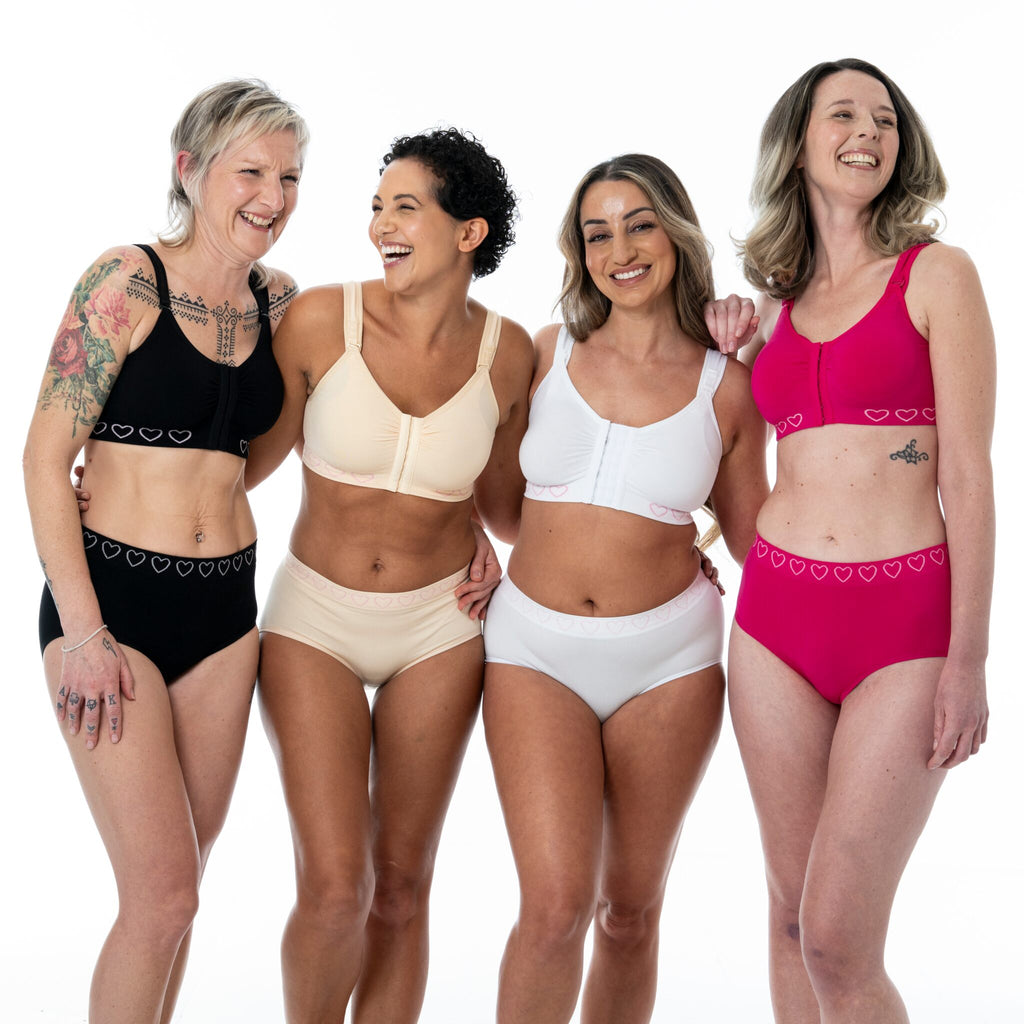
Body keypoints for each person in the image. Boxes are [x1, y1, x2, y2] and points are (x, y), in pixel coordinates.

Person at [23, 80, 308, 1023]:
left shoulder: (279, 301)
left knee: (182, 891)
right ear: (189, 170)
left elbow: (253, 455)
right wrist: (83, 633)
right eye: (251, 172)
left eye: (290, 177)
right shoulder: (126, 280)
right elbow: (43, 458)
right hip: (112, 606)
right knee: (162, 896)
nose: (272, 196)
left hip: (225, 613)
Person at [719, 58, 994, 1022]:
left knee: (839, 939)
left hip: (903, 626)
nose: (868, 132)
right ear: (798, 143)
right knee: (792, 918)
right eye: (843, 114)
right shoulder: (773, 304)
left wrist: (969, 661)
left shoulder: (937, 276)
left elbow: (969, 478)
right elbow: (728, 456)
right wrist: (724, 344)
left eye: (884, 118)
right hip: (774, 624)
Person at [244, 128, 533, 1023]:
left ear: (468, 232)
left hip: (440, 627)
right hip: (315, 620)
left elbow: (511, 510)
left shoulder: (509, 354)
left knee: (401, 888)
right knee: (336, 888)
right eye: (377, 209)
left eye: (405, 208)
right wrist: (127, 471)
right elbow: (244, 467)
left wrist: (675, 541)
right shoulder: (317, 321)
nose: (380, 227)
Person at [481, 154, 768, 1024]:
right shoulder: (545, 351)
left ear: (676, 234)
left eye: (640, 225)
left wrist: (768, 345)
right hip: (533, 651)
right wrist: (472, 552)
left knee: (631, 914)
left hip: (669, 663)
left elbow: (755, 539)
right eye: (597, 234)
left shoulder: (729, 384)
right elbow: (498, 503)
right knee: (554, 909)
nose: (621, 250)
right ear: (581, 252)